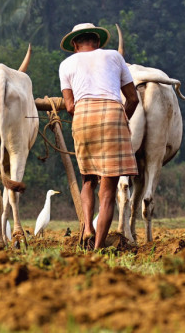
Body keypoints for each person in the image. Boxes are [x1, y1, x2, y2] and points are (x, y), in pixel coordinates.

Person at [59, 23, 139, 249]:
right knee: (108, 191)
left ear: (75, 44)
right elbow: (133, 99)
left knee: (87, 178)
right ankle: (97, 249)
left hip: (83, 118)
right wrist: (121, 119)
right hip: (113, 116)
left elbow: (69, 105)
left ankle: (87, 228)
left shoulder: (66, 64)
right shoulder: (114, 56)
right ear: (97, 41)